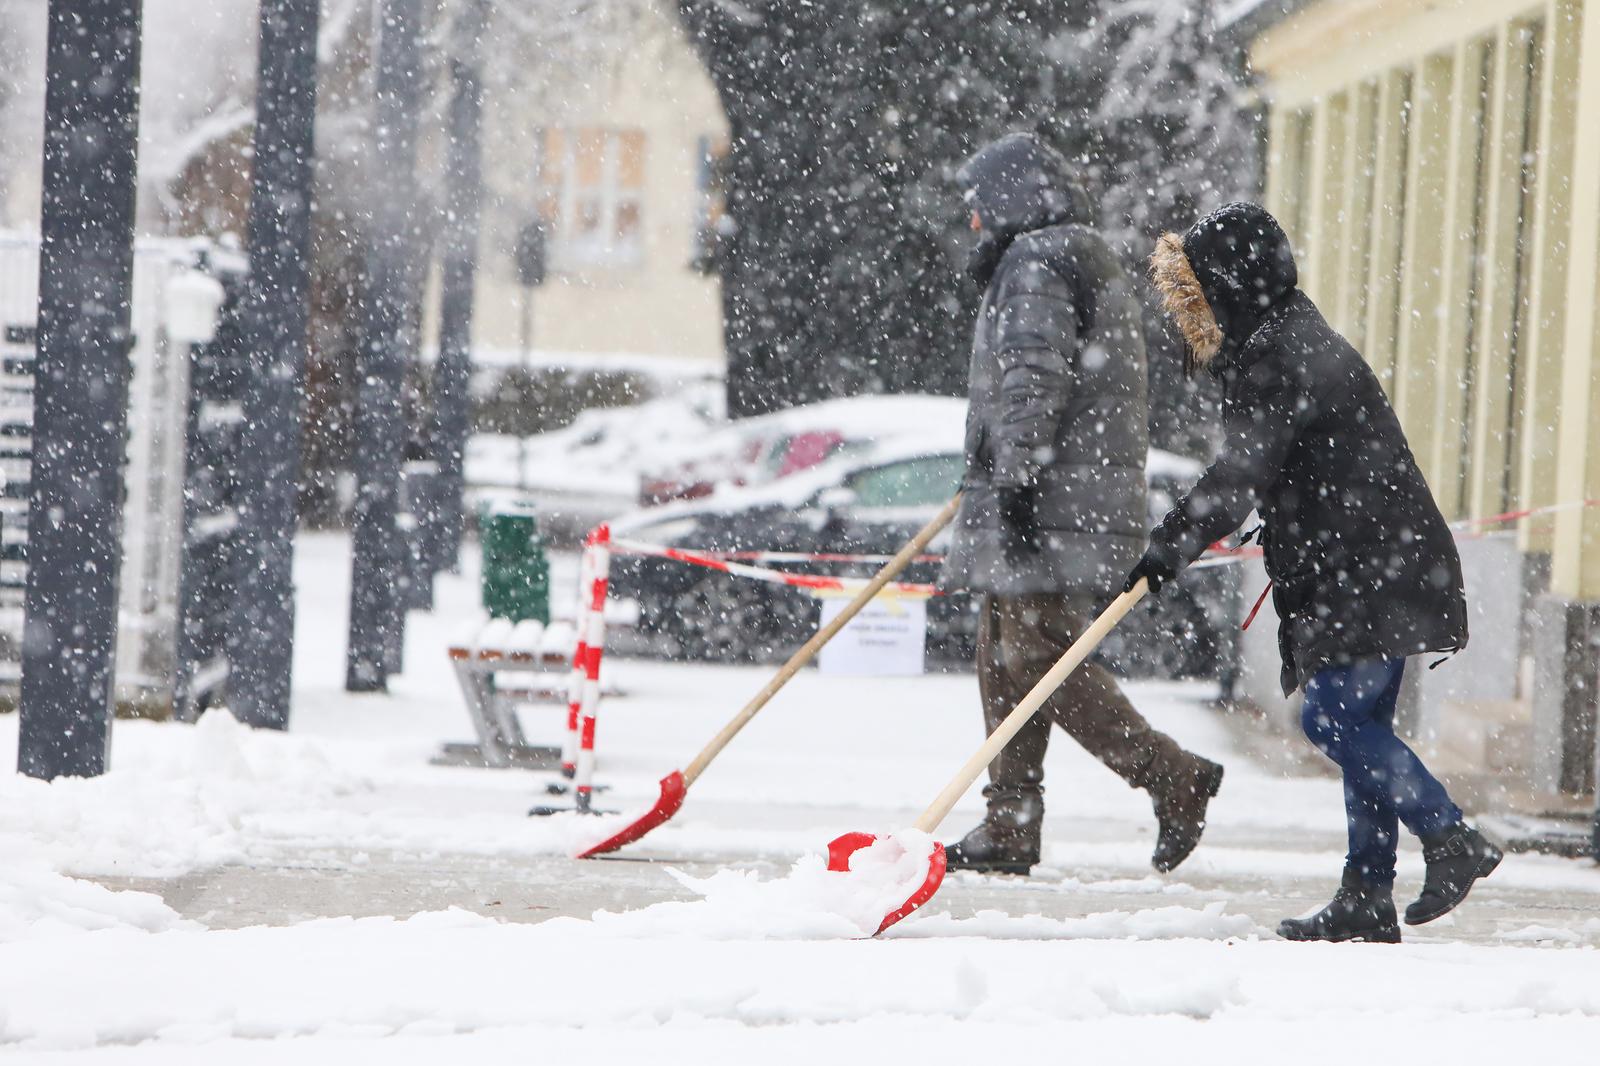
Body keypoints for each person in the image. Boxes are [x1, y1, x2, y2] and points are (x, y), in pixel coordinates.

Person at [1129, 200, 1501, 943]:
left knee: (1332, 720)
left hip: (1367, 562)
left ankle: (1450, 834)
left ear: (1232, 286)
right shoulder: (1285, 337)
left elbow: (1239, 476)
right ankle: (1366, 895)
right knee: (1359, 723)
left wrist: (1168, 546)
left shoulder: (1279, 356)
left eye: (1203, 292)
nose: (1197, 314)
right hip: (1373, 556)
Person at [939, 132, 1224, 877]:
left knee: (1037, 658)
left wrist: (1019, 479)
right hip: (1060, 493)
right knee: (1004, 657)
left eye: (976, 207)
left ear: (1008, 200)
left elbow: (1033, 375)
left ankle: (1174, 777)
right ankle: (1010, 822)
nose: (971, 223)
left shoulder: (1038, 263)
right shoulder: (1061, 254)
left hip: (1052, 499)